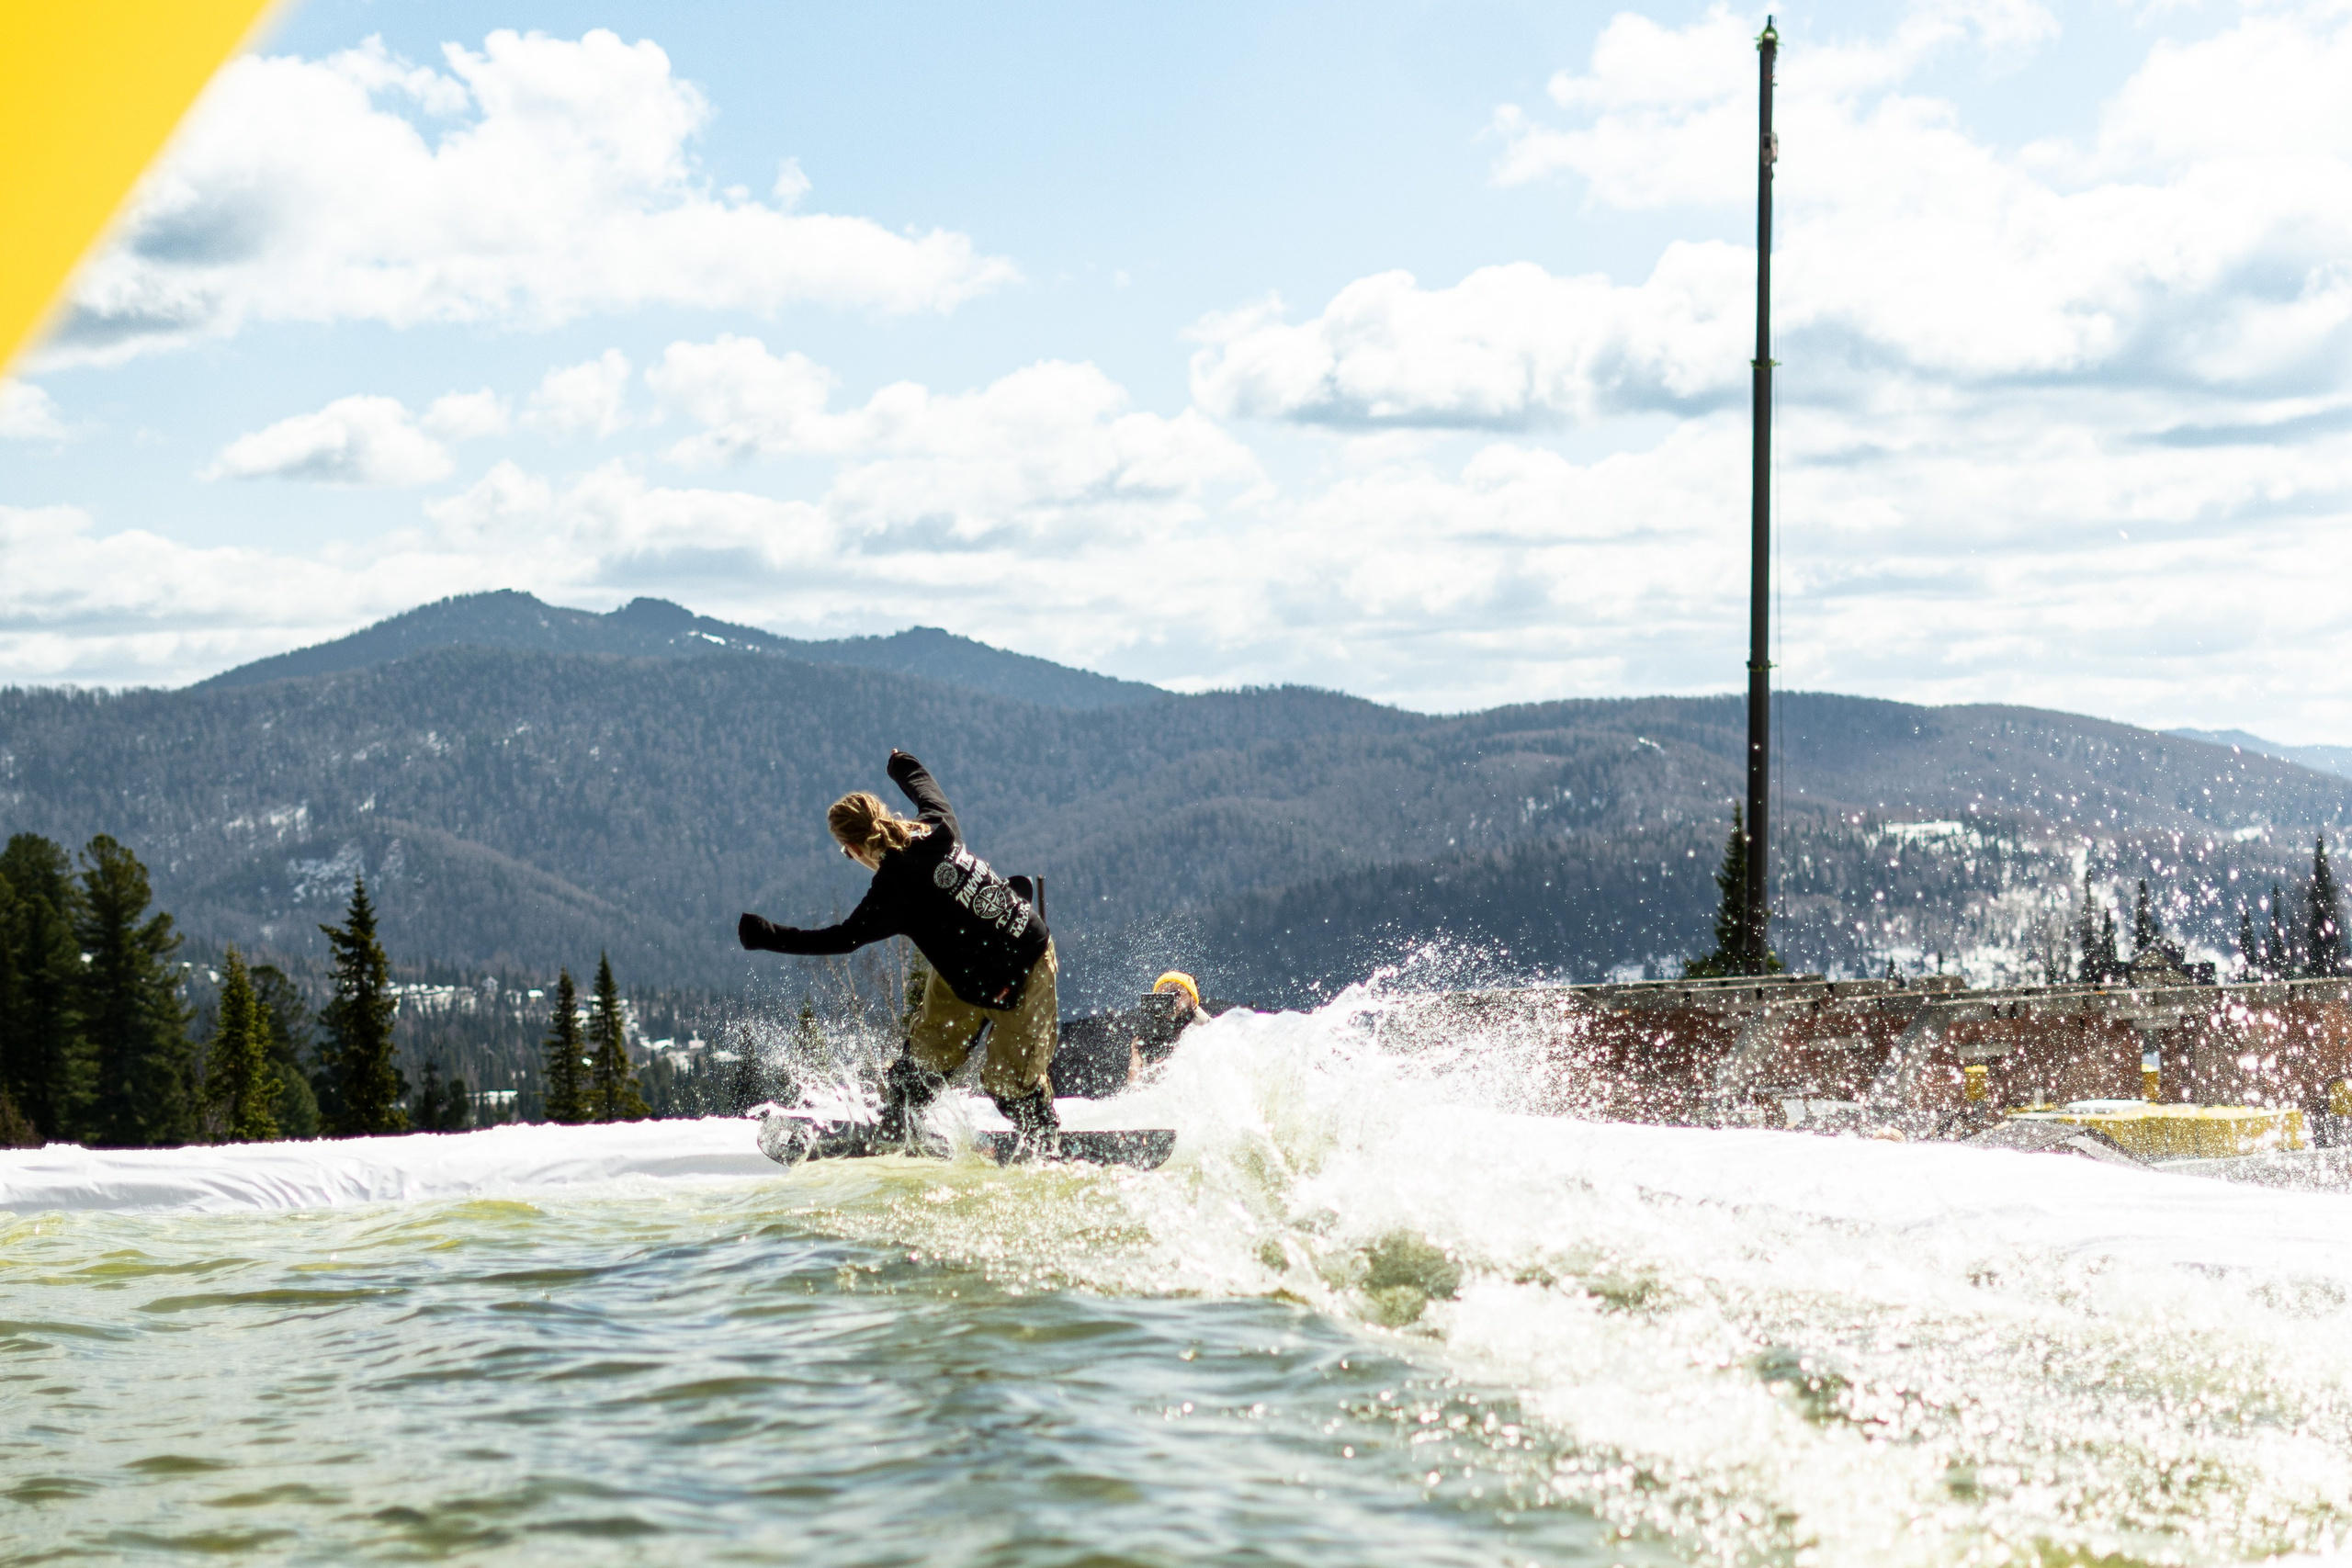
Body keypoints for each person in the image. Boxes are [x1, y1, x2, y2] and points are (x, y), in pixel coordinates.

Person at [737, 750, 1059, 1153]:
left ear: (854, 848)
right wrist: (901, 763)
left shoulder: (893, 890)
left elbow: (840, 939)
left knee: (1008, 1083)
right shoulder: (937, 825)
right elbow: (926, 787)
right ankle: (898, 1130)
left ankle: (1048, 1147)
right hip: (964, 972)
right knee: (924, 1061)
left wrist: (766, 935)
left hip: (1023, 969)